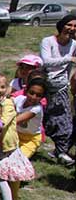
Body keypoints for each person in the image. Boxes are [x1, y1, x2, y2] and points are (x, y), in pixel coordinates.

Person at [38, 14, 76, 166]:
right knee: (46, 118)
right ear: (62, 25)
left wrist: (67, 82)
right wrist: (69, 58)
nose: (72, 29)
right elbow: (46, 61)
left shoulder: (73, 44)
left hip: (61, 87)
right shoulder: (48, 41)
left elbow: (68, 68)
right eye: (69, 25)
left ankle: (61, 151)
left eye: (75, 26)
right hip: (45, 85)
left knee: (64, 120)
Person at [14, 75, 47, 161]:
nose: (33, 97)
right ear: (26, 91)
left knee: (18, 160)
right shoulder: (19, 99)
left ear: (42, 97)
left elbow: (16, 120)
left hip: (31, 139)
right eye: (31, 93)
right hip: (16, 135)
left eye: (38, 95)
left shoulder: (36, 109)